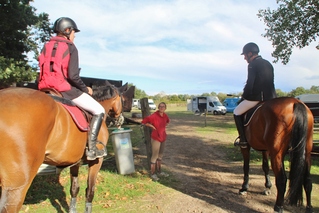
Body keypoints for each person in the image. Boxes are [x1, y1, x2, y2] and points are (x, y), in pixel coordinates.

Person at [38, 17, 106, 160]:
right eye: (74, 32)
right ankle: (92, 149)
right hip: (63, 89)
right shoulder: (70, 47)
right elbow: (73, 76)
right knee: (99, 110)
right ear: (67, 30)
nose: (74, 36)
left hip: (43, 88)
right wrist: (85, 89)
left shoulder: (46, 46)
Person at [234, 42, 277, 147]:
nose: (244, 58)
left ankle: (243, 140)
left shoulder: (252, 65)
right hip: (271, 97)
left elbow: (250, 83)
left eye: (244, 55)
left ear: (249, 54)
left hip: (257, 97)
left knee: (236, 112)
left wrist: (244, 97)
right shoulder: (268, 63)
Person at [142, 102, 170, 181]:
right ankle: (153, 173)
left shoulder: (165, 116)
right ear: (158, 107)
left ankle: (160, 171)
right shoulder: (153, 116)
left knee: (160, 155)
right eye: (160, 106)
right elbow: (144, 122)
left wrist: (162, 128)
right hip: (156, 138)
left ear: (165, 108)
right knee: (155, 155)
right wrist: (152, 126)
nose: (161, 108)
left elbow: (167, 121)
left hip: (163, 137)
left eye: (163, 106)